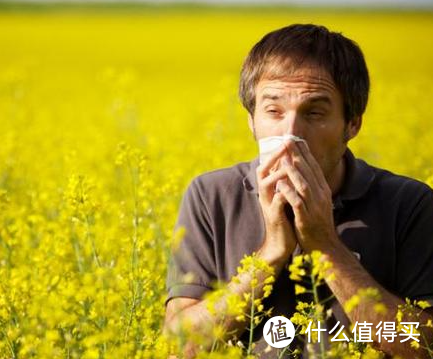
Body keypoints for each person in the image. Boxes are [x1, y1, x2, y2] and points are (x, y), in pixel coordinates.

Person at [162, 23, 433, 358]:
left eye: (314, 113)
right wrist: (270, 255)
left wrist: (326, 246)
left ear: (352, 123)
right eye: (273, 111)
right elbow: (177, 347)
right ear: (251, 120)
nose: (290, 134)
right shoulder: (211, 196)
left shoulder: (409, 204)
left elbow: (424, 347)